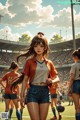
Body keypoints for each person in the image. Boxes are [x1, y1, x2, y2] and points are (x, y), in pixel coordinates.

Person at [11, 32, 60, 120]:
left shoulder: (49, 63)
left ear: (45, 47)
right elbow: (25, 79)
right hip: (32, 92)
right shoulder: (29, 62)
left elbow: (57, 78)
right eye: (36, 45)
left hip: (45, 92)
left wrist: (52, 81)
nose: (38, 48)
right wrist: (22, 96)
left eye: (41, 46)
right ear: (33, 47)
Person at [68, 48, 80, 120]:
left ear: (76, 57)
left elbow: (72, 78)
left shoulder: (74, 65)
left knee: (77, 108)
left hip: (76, 83)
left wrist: (69, 88)